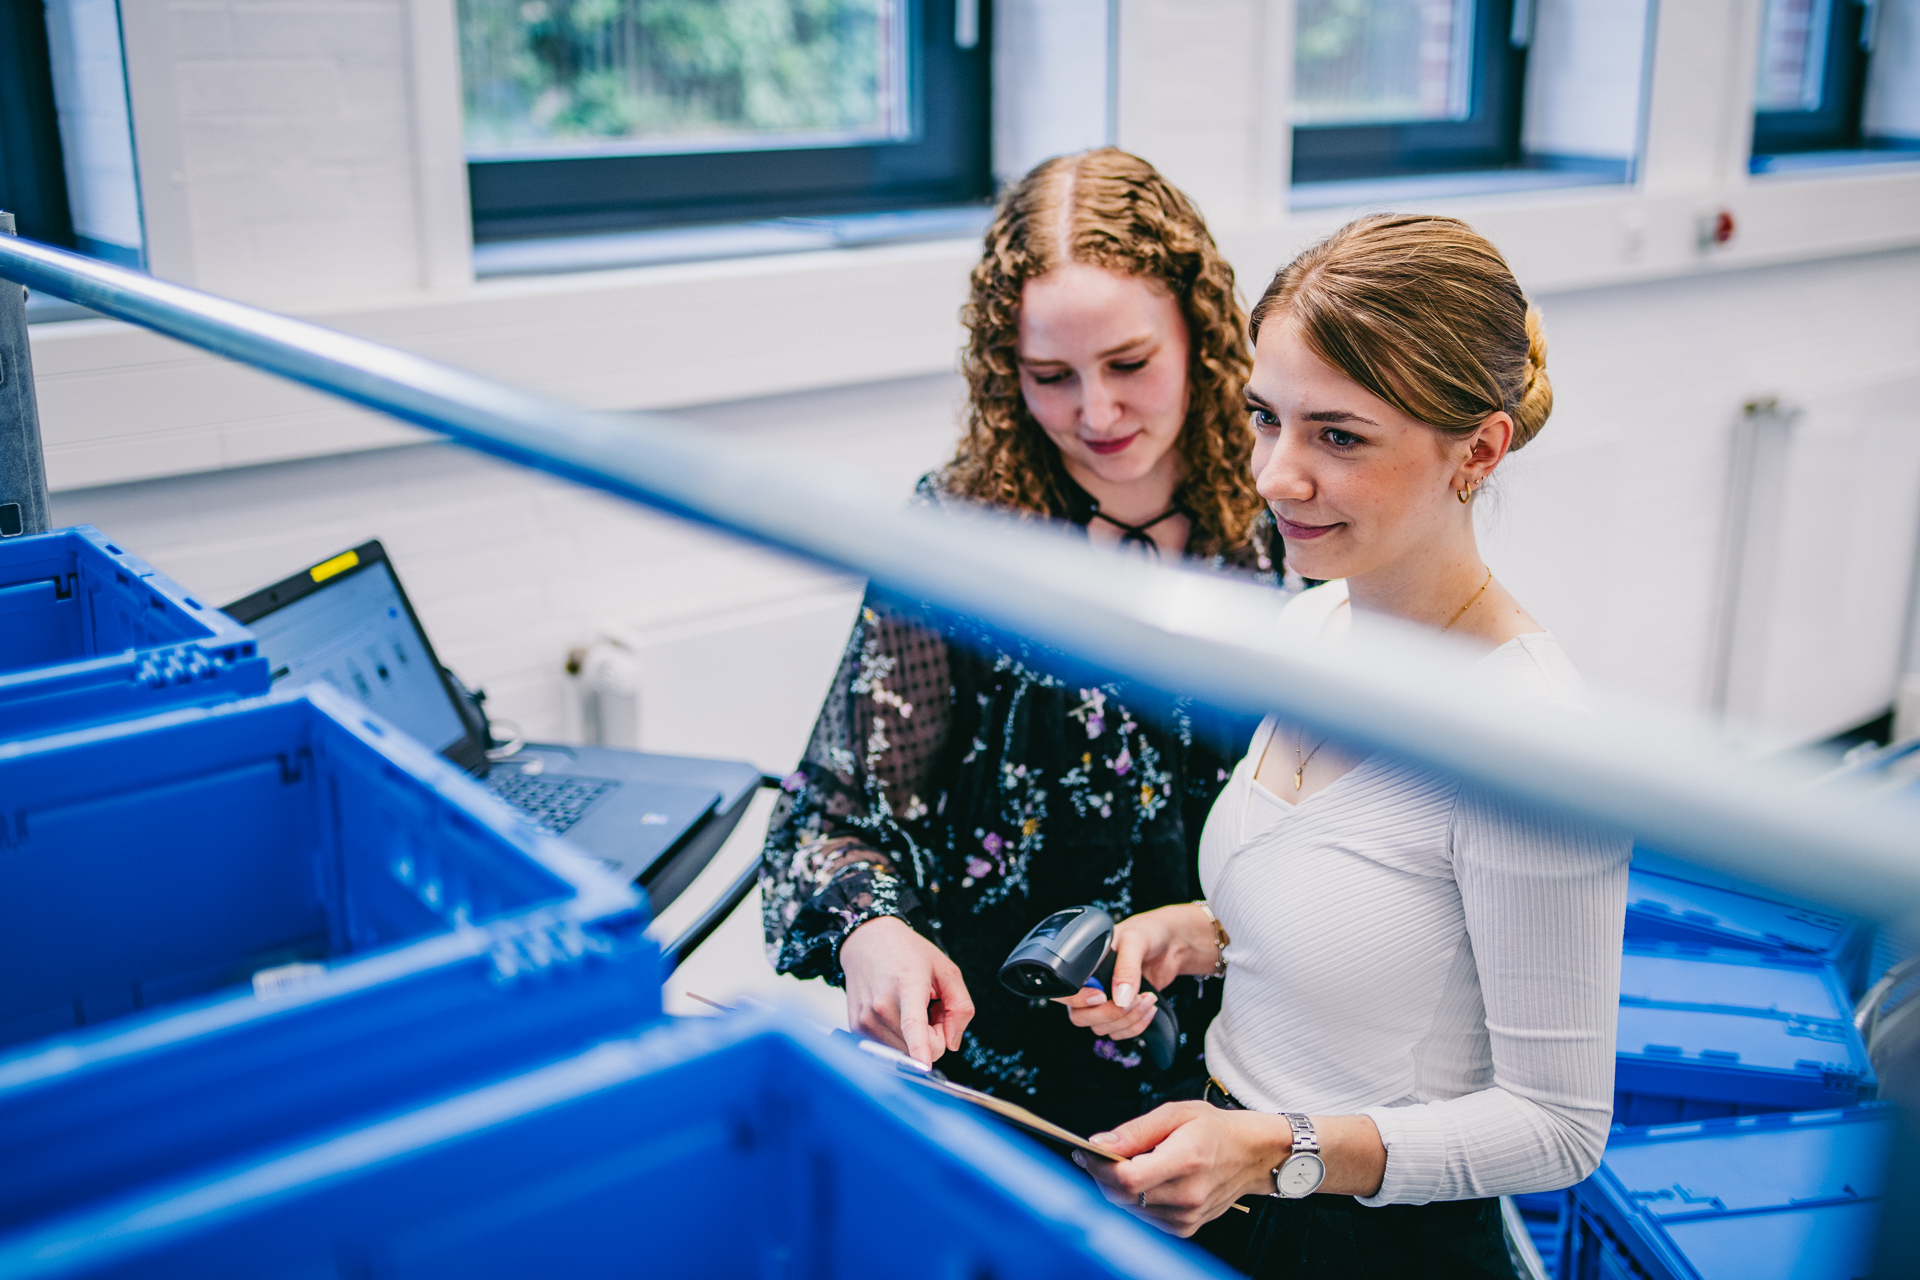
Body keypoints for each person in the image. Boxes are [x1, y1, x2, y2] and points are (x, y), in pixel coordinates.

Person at [1061, 214, 1630, 1277]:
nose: (1275, 476)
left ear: (1480, 448)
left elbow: (1558, 1127)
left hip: (1373, 1240)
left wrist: (1281, 1148)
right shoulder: (1314, 625)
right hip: (1231, 1187)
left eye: (1338, 435)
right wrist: (1197, 933)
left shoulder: (1529, 742)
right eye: (1265, 419)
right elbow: (1368, 909)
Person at [760, 148, 1285, 1138]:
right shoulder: (963, 536)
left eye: (1130, 363)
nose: (1095, 413)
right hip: (1001, 1084)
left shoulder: (1279, 516)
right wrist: (873, 930)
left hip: (1231, 1086)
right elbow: (821, 821)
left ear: (1200, 331)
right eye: (1051, 376)